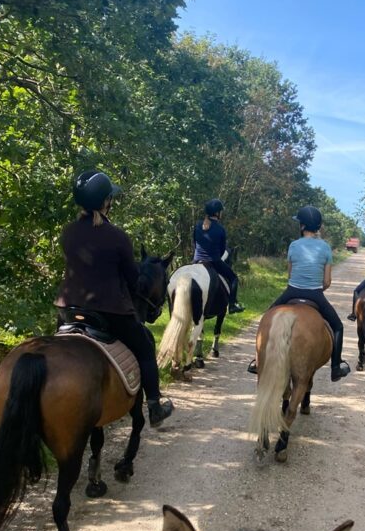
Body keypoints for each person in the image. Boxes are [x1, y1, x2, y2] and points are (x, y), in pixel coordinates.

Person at [55, 169, 173, 427]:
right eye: (110, 198)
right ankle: (154, 406)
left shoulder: (68, 233)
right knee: (145, 345)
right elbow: (134, 282)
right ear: (105, 202)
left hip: (67, 310)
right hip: (108, 312)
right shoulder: (118, 237)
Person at [248, 205, 350, 382]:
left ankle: (258, 361)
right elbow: (327, 282)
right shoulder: (325, 248)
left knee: (266, 318)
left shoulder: (293, 246)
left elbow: (290, 274)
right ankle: (335, 367)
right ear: (318, 227)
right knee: (338, 326)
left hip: (292, 291)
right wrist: (316, 290)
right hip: (315, 294)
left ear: (302, 226)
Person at [192, 199, 244, 314]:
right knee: (234, 278)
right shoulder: (220, 229)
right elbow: (221, 251)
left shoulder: (198, 225)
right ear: (217, 213)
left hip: (196, 260)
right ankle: (232, 305)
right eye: (221, 211)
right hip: (213, 261)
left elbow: (195, 244)